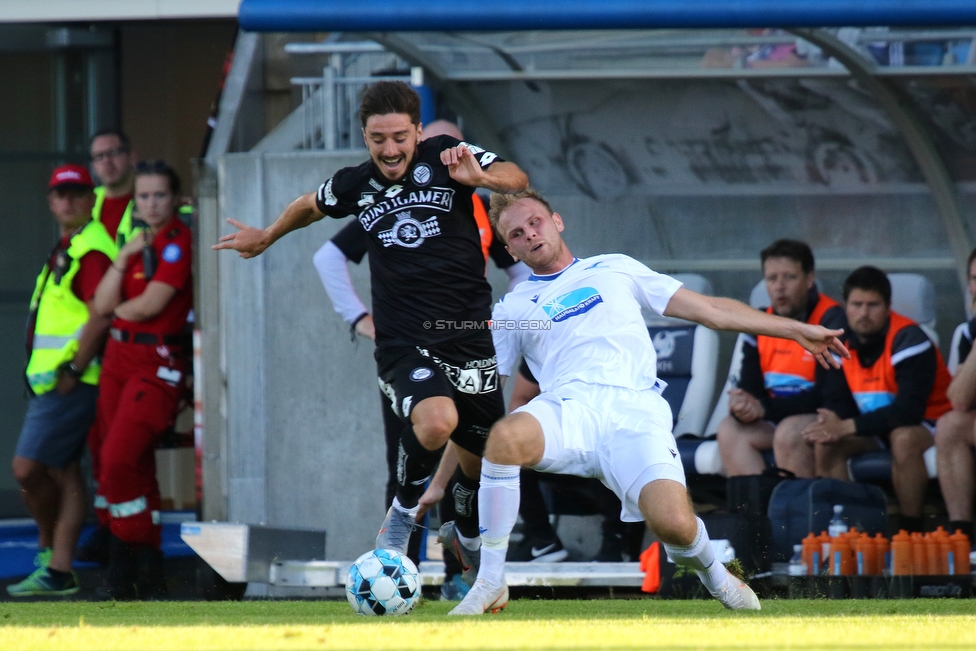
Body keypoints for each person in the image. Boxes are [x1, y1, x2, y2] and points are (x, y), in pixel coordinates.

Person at [448, 189, 848, 615]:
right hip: (570, 408)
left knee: (675, 526)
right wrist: (435, 485)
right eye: (517, 233)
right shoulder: (512, 308)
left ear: (557, 221)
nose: (530, 234)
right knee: (504, 437)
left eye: (536, 223)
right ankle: (491, 579)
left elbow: (711, 309)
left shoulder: (614, 267)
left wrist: (792, 329)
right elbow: (479, 400)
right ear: (508, 249)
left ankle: (716, 574)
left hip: (634, 413)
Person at [214, 82, 529, 569]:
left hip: (468, 337)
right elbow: (308, 205)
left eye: (400, 137)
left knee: (479, 460)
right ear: (365, 137)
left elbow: (515, 175)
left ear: (418, 131)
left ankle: (464, 536)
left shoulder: (447, 156)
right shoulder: (354, 184)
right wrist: (268, 235)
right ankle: (401, 514)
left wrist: (484, 179)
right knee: (436, 421)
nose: (390, 149)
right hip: (405, 341)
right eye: (378, 138)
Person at [6, 165, 115, 597]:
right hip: (55, 382)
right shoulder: (71, 245)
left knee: (27, 469)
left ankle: (50, 551)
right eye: (60, 194)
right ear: (51, 202)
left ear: (91, 200)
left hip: (73, 381)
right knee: (63, 471)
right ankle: (59, 568)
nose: (67, 201)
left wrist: (73, 369)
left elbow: (100, 313)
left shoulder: (90, 249)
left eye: (76, 193)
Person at [88, 161, 194, 599]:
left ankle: (120, 565)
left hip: (156, 359)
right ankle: (147, 567)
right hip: (117, 356)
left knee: (118, 458)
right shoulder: (133, 244)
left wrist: (116, 309)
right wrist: (124, 257)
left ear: (174, 199)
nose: (151, 203)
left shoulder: (178, 242)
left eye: (159, 195)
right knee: (115, 458)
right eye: (144, 196)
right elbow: (100, 304)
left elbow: (148, 305)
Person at [786, 266, 951, 533]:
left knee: (903, 438)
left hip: (929, 423)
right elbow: (837, 398)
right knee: (827, 444)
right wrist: (833, 420)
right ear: (845, 307)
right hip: (876, 425)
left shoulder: (910, 338)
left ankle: (911, 529)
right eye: (857, 304)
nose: (863, 313)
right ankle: (851, 528)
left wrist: (847, 426)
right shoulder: (839, 342)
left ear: (888, 307)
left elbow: (908, 411)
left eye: (872, 305)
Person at [716, 239, 846, 477]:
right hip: (776, 415)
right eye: (772, 278)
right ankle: (757, 511)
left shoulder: (831, 321)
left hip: (821, 417)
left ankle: (794, 512)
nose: (779, 287)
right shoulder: (759, 323)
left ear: (809, 280)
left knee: (789, 432)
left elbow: (829, 396)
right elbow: (751, 387)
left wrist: (764, 408)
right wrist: (743, 405)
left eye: (789, 277)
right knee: (729, 429)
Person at [934, 248, 976, 540]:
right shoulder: (968, 332)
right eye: (975, 279)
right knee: (950, 425)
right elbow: (959, 399)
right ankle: (962, 539)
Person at [89, 129, 138, 247]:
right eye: (99, 156)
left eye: (114, 152)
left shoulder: (152, 197)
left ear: (131, 157)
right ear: (93, 165)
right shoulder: (86, 200)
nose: (107, 161)